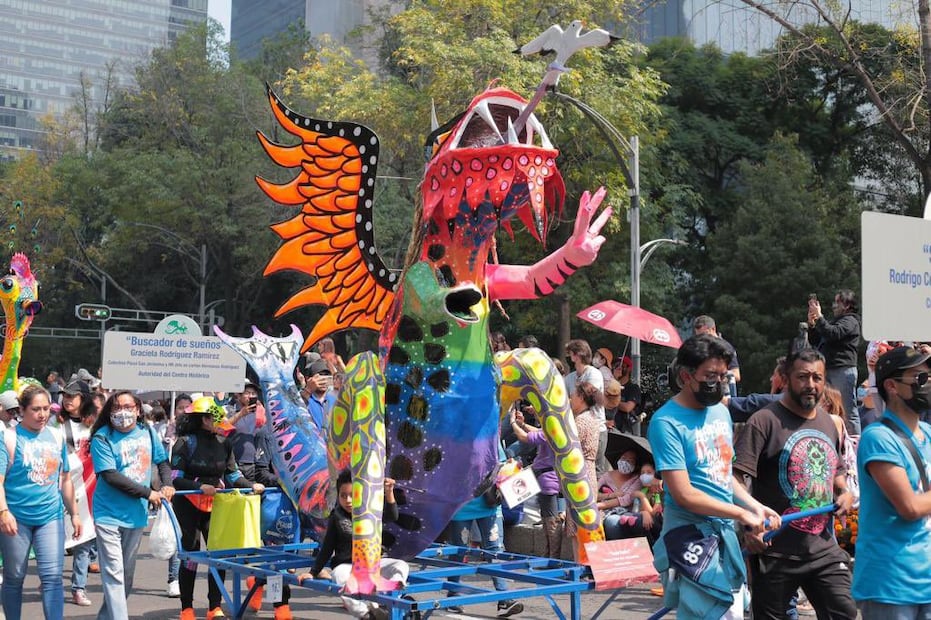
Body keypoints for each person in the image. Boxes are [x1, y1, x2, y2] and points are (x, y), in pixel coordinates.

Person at [647, 334, 779, 619]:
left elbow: (723, 474)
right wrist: (741, 514)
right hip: (690, 537)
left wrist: (754, 506)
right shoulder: (665, 422)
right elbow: (684, 494)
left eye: (723, 376)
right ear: (686, 376)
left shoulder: (720, 412)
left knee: (732, 612)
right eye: (710, 376)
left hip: (724, 534)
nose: (718, 382)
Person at [733, 348, 857, 619]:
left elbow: (836, 470)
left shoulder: (828, 423)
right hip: (774, 550)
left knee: (845, 612)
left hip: (822, 549)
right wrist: (750, 524)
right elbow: (736, 480)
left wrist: (845, 492)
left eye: (817, 378)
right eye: (803, 377)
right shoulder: (764, 421)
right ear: (786, 378)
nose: (811, 384)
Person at [852, 346, 931, 618]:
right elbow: (910, 507)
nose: (928, 385)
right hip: (890, 584)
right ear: (892, 386)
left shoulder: (928, 433)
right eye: (920, 378)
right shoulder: (878, 437)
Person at [171, 396, 264, 620]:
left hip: (215, 503)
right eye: (217, 416)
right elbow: (175, 477)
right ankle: (187, 608)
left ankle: (214, 606)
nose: (222, 419)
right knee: (191, 553)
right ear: (205, 419)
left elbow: (233, 475)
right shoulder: (184, 442)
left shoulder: (224, 443)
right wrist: (199, 487)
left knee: (219, 553)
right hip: (188, 503)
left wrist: (251, 485)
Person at [90, 391, 175, 620]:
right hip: (108, 514)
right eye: (117, 408)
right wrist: (149, 493)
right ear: (110, 412)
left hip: (136, 514)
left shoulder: (147, 432)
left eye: (128, 407)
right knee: (114, 573)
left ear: (138, 410)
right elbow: (110, 475)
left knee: (125, 577)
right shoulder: (102, 437)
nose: (123, 412)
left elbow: (162, 462)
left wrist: (167, 484)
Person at [0, 385, 83, 620]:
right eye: (36, 409)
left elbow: (65, 478)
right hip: (16, 518)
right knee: (15, 576)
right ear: (22, 410)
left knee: (52, 577)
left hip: (50, 516)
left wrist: (75, 513)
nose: (42, 414)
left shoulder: (56, 435)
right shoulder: (8, 438)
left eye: (46, 409)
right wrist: (3, 511)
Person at [304, 469, 409, 619]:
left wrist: (389, 492)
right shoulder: (336, 517)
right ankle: (367, 615)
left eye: (352, 495)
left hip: (373, 564)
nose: (348, 500)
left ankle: (388, 598)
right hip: (348, 566)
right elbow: (327, 547)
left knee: (401, 565)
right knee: (338, 576)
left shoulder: (370, 511)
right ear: (338, 496)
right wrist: (312, 572)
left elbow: (392, 515)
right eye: (343, 495)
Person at [445, 489, 524, 617]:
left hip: (491, 503)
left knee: (495, 551)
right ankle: (453, 595)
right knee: (459, 551)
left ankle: (504, 598)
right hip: (462, 505)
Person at [61, 378, 97, 607]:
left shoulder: (96, 425)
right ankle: (50, 581)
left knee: (83, 541)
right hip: (60, 488)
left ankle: (78, 588)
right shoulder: (55, 423)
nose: (67, 400)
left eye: (71, 396)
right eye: (64, 395)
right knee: (56, 541)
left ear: (83, 399)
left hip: (88, 490)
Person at [509, 405, 562, 558]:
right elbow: (538, 432)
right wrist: (523, 424)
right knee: (546, 520)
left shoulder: (552, 430)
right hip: (546, 477)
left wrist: (512, 423)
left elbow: (525, 438)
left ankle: (553, 558)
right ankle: (548, 555)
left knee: (551, 521)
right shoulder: (555, 428)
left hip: (547, 480)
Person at [808, 290, 862, 435]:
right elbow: (817, 340)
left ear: (847, 305)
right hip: (829, 369)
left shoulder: (851, 321)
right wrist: (813, 324)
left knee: (847, 410)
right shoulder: (836, 322)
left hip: (842, 370)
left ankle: (855, 443)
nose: (833, 305)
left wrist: (820, 317)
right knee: (827, 408)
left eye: (837, 302)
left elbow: (833, 334)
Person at [564, 381, 602, 561]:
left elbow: (566, 444)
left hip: (579, 473)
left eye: (573, 395)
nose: (571, 398)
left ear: (581, 397)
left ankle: (581, 565)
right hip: (589, 472)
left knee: (578, 524)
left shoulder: (580, 421)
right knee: (585, 522)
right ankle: (586, 565)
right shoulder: (592, 418)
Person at [564, 339, 608, 477]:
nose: (569, 357)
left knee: (594, 473)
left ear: (576, 355)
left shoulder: (594, 374)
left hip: (595, 429)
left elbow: (587, 400)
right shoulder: (569, 378)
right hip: (576, 428)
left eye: (570, 353)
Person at [597, 449, 661, 542]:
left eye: (630, 460)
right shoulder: (607, 475)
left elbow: (627, 500)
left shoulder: (638, 481)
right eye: (624, 458)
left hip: (628, 513)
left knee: (613, 522)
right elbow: (593, 492)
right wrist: (610, 495)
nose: (626, 461)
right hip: (609, 512)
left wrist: (599, 505)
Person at [226, 380, 266, 483]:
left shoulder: (260, 413)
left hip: (252, 464)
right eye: (247, 393)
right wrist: (240, 414)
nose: (250, 396)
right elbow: (222, 428)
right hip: (233, 464)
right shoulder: (230, 410)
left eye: (253, 393)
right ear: (238, 396)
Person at [693, 315, 741, 384]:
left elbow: (736, 375)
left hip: (721, 388)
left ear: (713, 329)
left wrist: (717, 376)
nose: (702, 339)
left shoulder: (725, 348)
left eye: (704, 334)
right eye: (698, 336)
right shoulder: (697, 348)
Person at [300, 359, 336, 431]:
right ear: (309, 379)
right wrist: (308, 390)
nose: (323, 380)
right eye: (319, 376)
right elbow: (294, 412)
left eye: (326, 375)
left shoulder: (335, 399)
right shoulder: (304, 398)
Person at [613, 356, 644, 436]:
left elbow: (627, 407)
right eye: (616, 365)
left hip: (624, 431)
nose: (618, 368)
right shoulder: (610, 385)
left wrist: (611, 401)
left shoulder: (633, 388)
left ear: (629, 369)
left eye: (621, 365)